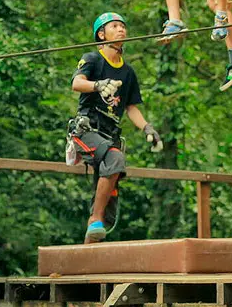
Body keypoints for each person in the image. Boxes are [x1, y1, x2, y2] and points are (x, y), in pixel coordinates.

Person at [69, 12, 163, 243]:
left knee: (110, 192)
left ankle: (92, 240)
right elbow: (76, 83)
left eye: (123, 26)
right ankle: (94, 219)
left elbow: (131, 107)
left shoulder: (128, 72)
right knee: (116, 160)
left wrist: (147, 128)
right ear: (102, 34)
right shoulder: (93, 59)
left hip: (109, 135)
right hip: (87, 130)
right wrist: (98, 85)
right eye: (114, 26)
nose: (121, 29)